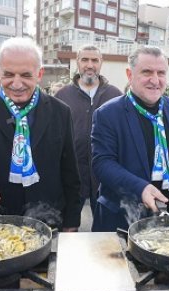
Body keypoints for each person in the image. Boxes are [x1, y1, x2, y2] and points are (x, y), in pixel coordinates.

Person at [0, 37, 82, 231]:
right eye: (8, 74)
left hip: (49, 222)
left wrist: (71, 224)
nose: (16, 83)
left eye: (25, 75)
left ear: (40, 74)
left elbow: (70, 171)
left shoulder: (61, 112)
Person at [91, 46, 169, 232]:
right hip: (121, 219)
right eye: (147, 72)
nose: (155, 80)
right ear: (130, 74)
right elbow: (102, 164)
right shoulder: (108, 113)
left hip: (167, 217)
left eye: (161, 73)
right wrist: (141, 188)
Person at [55, 45, 122, 213]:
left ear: (101, 63)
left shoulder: (116, 95)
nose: (90, 65)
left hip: (105, 175)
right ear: (77, 62)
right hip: (72, 174)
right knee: (69, 228)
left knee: (104, 230)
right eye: (85, 59)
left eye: (95, 60)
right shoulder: (62, 96)